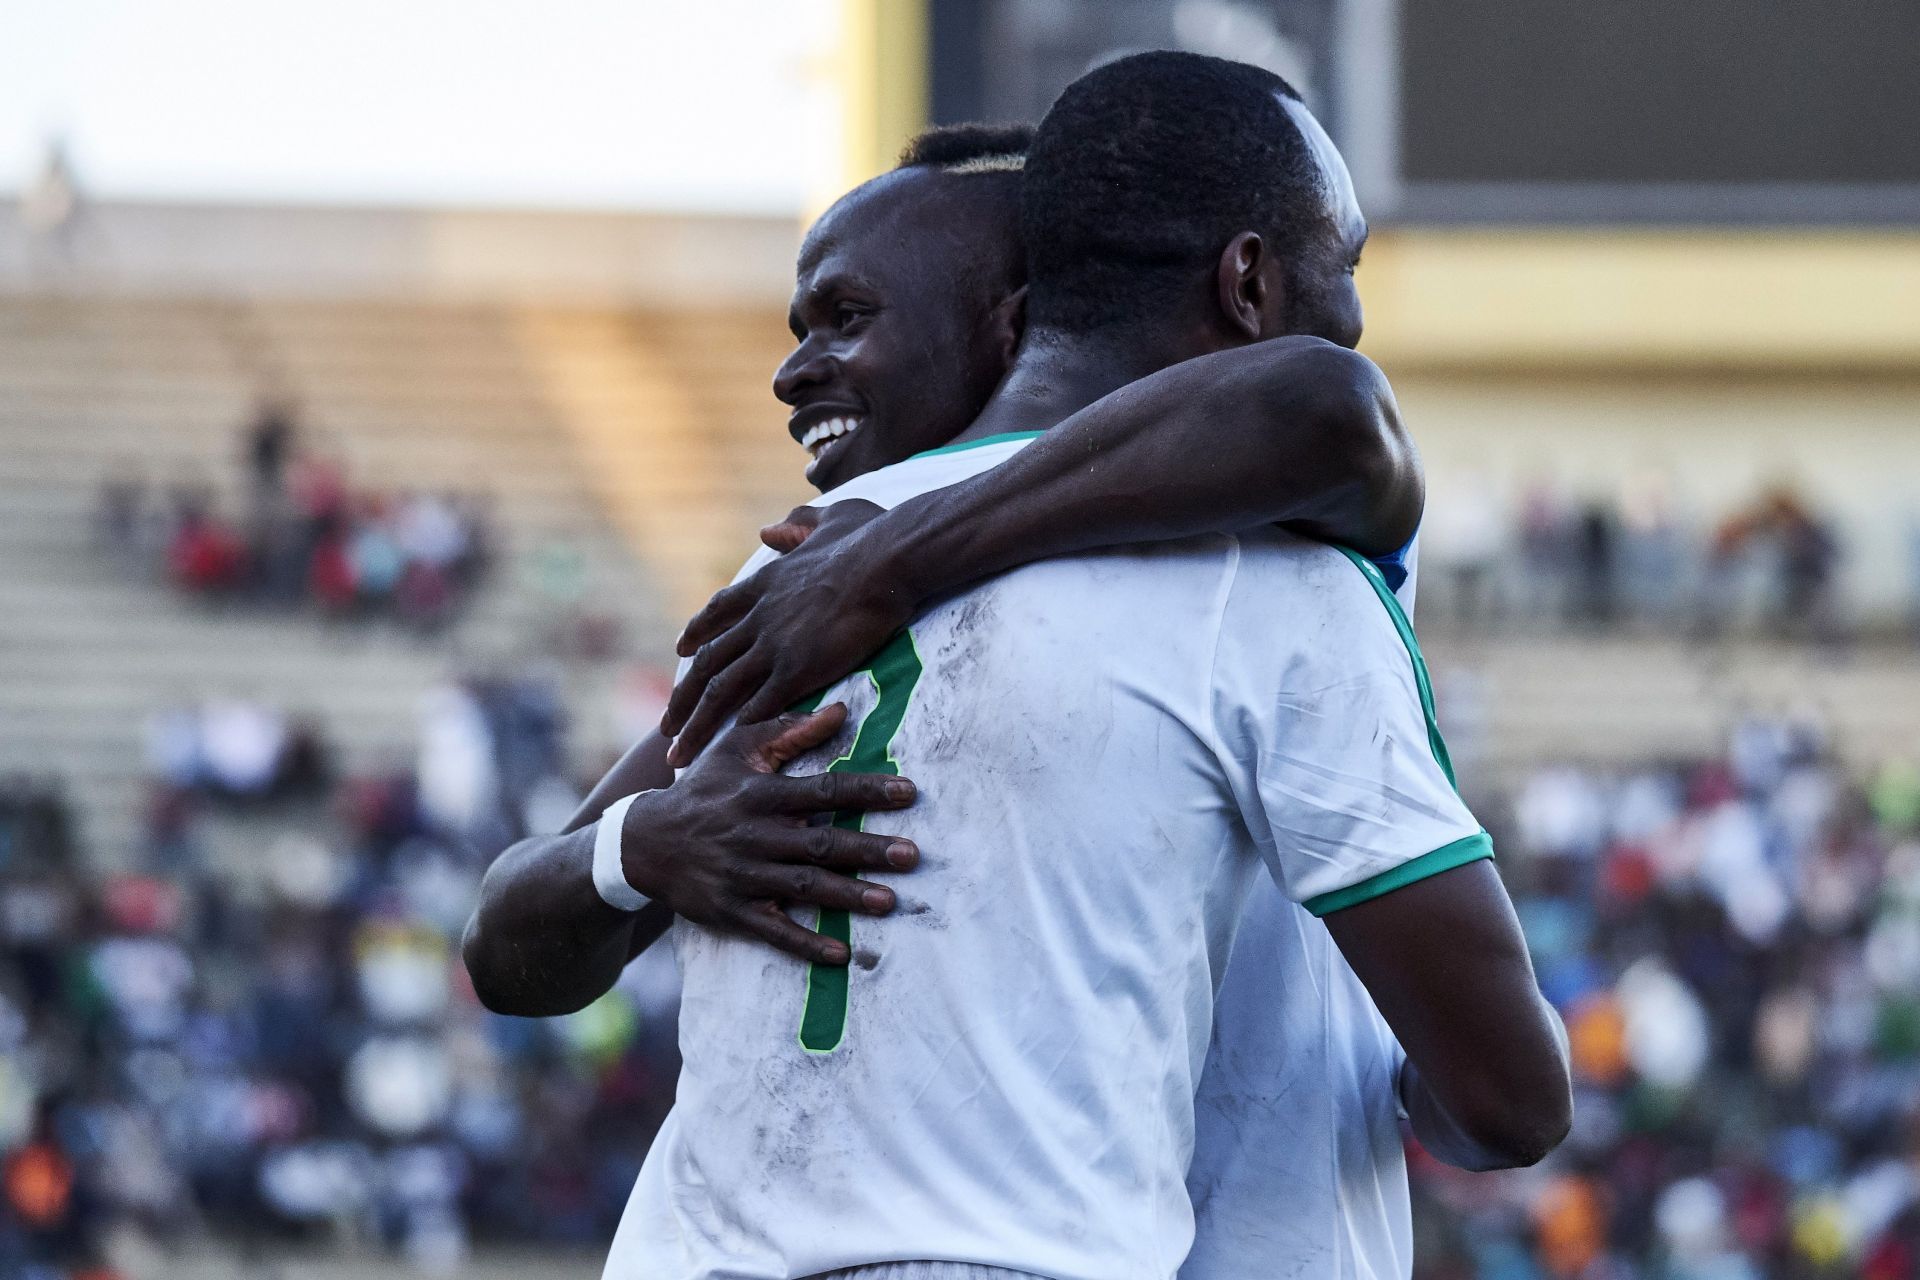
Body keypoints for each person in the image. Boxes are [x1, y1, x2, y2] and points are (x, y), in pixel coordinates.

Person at [468, 53, 1568, 1279]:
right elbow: (1511, 1101)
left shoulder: (797, 571)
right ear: (1251, 278)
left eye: (848, 317)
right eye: (1346, 269)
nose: (797, 369)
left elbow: (1322, 408)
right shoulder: (1279, 575)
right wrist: (641, 843)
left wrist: (894, 565)